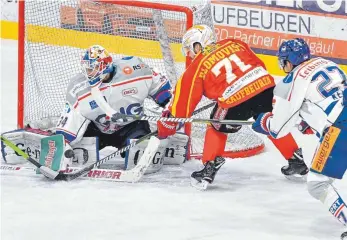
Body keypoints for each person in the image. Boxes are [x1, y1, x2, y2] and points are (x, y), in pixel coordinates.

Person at [156, 25, 305, 190]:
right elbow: (258, 64)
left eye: (189, 49)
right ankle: (296, 159)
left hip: (235, 99)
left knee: (216, 125)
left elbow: (181, 108)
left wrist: (165, 126)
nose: (189, 55)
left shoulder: (196, 66)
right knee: (270, 122)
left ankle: (209, 168)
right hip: (264, 86)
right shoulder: (234, 43)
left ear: (197, 45)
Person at [252, 38, 347, 238]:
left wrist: (264, 122)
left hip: (339, 128)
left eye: (283, 60)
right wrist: (309, 120)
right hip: (340, 118)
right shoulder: (327, 63)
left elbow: (279, 129)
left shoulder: (289, 82)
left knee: (317, 183)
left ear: (288, 61)